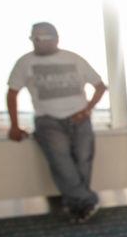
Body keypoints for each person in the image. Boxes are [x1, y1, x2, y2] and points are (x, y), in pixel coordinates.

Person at [7, 22, 106, 223]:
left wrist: (86, 110)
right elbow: (12, 93)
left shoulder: (74, 59)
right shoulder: (24, 63)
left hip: (80, 119)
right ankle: (86, 202)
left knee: (83, 161)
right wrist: (15, 126)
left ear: (55, 38)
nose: (37, 43)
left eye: (41, 38)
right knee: (62, 164)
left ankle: (80, 207)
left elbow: (100, 86)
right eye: (33, 38)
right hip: (48, 120)